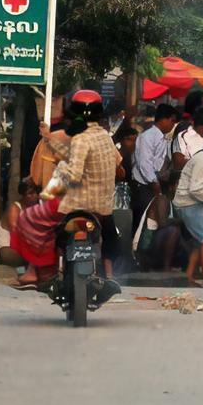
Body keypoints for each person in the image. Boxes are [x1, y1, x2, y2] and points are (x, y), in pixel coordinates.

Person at [29, 90, 124, 298]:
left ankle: (47, 271)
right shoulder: (105, 138)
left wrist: (53, 183)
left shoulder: (78, 138)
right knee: (110, 234)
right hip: (102, 205)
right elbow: (120, 169)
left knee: (47, 227)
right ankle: (108, 275)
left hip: (73, 202)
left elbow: (51, 176)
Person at [172, 106, 203, 287]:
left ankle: (189, 275)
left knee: (199, 239)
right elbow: (196, 190)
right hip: (188, 202)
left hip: (185, 201)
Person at [130, 103, 177, 227]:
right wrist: (154, 182)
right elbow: (144, 163)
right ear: (164, 119)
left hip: (156, 184)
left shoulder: (164, 138)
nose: (173, 125)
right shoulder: (147, 137)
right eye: (172, 121)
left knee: (154, 222)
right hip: (145, 186)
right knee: (142, 222)